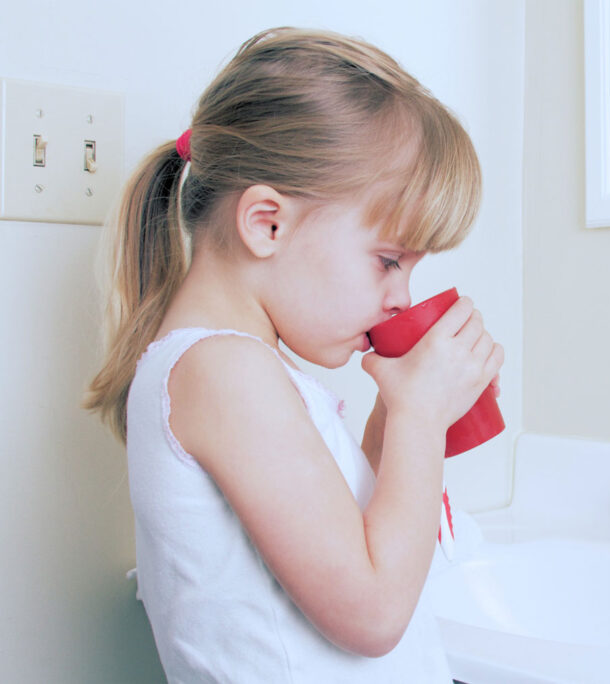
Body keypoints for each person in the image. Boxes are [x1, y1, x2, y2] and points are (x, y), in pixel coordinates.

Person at [84, 27, 503, 682]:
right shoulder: (224, 371)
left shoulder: (238, 367)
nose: (401, 297)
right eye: (388, 261)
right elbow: (371, 614)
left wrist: (392, 425)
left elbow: (341, 542)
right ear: (267, 224)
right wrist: (420, 418)